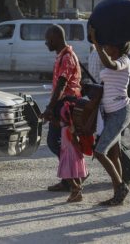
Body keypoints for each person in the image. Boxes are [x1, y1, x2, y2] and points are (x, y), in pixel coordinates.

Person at [89, 27, 130, 207]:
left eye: (107, 46)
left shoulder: (124, 60)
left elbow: (110, 65)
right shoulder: (114, 58)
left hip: (120, 112)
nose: (105, 48)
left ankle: (121, 187)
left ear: (116, 47)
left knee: (100, 152)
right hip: (109, 113)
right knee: (114, 154)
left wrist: (96, 44)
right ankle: (118, 193)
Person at [41, 25, 82, 192]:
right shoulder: (62, 55)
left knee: (55, 142)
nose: (46, 43)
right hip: (61, 104)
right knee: (59, 143)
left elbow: (62, 85)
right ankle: (71, 178)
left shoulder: (67, 57)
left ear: (56, 38)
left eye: (48, 39)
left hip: (66, 106)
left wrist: (50, 108)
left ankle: (73, 178)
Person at [57, 102, 87, 203]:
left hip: (69, 153)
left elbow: (74, 141)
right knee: (76, 174)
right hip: (71, 153)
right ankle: (78, 195)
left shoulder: (69, 128)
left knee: (67, 173)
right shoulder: (68, 126)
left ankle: (75, 188)